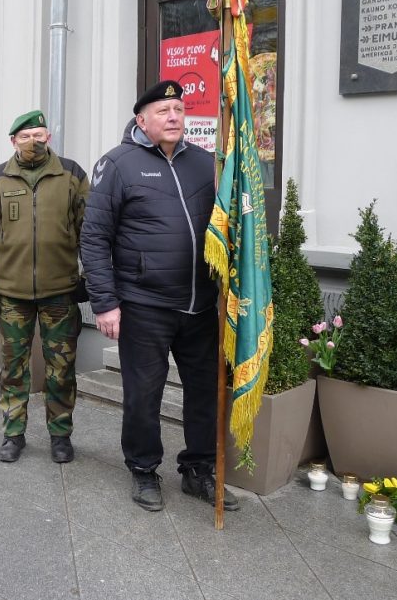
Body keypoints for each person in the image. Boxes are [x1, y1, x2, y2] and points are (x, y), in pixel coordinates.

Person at [80, 80, 239, 513]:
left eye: (179, 109)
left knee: (205, 391)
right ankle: (144, 469)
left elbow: (226, 227)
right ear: (141, 120)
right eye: (163, 110)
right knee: (144, 394)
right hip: (145, 304)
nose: (173, 117)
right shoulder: (118, 165)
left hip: (202, 303)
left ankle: (199, 469)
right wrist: (105, 304)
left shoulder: (206, 164)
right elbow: (94, 238)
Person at [0, 110, 89, 463]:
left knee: (62, 369)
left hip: (60, 293)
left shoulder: (71, 174)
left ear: (48, 137)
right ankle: (12, 434)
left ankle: (61, 434)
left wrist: (89, 279)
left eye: (39, 134)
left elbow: (90, 230)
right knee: (13, 369)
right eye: (25, 136)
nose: (33, 142)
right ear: (13, 142)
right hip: (12, 295)